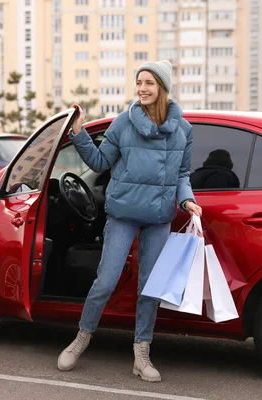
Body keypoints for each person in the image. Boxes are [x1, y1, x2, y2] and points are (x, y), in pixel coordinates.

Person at [57, 60, 202, 382]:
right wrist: (79, 132)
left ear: (162, 87)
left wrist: (187, 199)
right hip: (123, 214)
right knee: (105, 282)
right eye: (139, 82)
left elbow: (182, 174)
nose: (142, 88)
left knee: (150, 288)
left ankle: (141, 353)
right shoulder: (123, 123)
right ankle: (81, 338)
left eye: (149, 82)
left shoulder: (183, 130)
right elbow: (99, 161)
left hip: (159, 217)